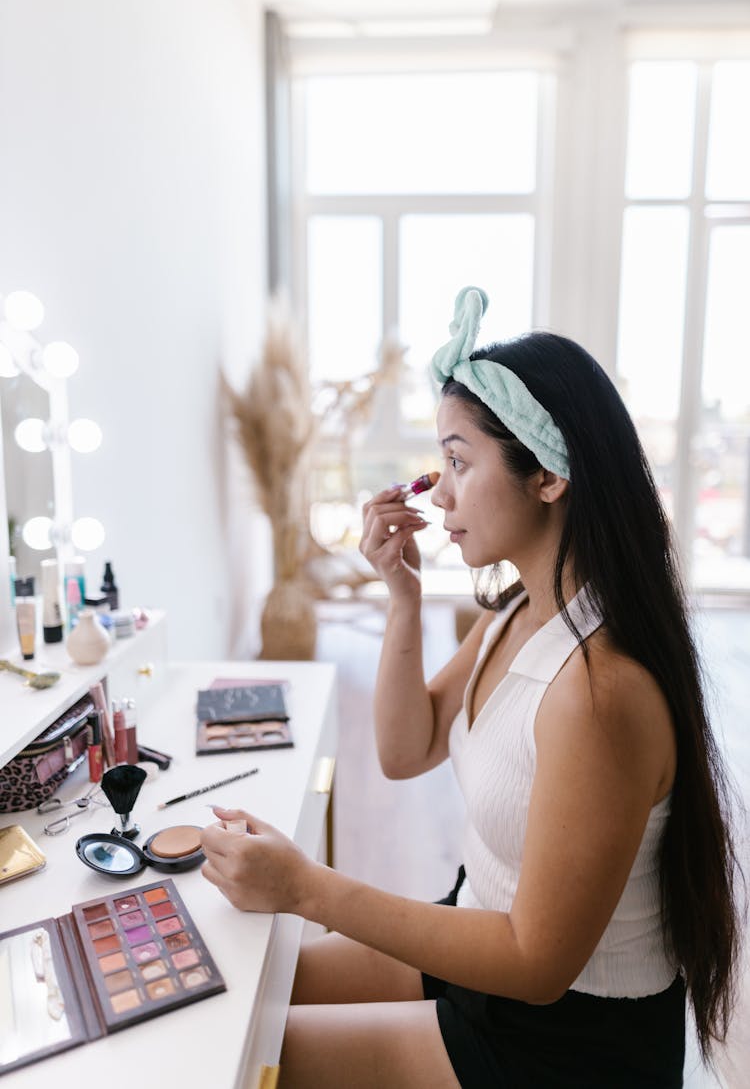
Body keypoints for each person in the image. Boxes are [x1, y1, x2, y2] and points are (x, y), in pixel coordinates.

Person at [201, 287, 741, 1088]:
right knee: (244, 1003)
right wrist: (403, 597)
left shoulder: (600, 692)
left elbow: (536, 963)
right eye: (440, 464)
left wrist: (307, 887)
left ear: (549, 476)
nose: (440, 492)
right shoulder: (520, 611)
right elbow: (404, 747)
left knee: (249, 1060)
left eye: (458, 460)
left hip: (562, 1042)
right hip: (481, 943)